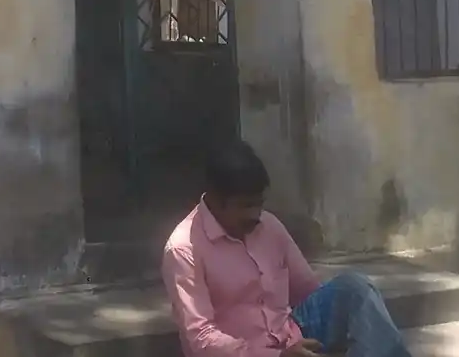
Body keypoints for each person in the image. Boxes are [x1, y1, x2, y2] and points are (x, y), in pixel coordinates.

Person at [163, 141, 412, 357]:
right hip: (244, 352)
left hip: (290, 332)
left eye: (259, 204)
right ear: (215, 201)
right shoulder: (184, 249)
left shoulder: (269, 225)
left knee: (356, 288)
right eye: (245, 206)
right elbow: (201, 340)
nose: (255, 214)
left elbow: (309, 291)